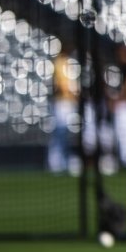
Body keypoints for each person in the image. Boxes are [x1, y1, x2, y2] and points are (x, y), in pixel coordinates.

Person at [47, 42, 81, 176]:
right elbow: (62, 85)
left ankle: (63, 161)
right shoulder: (60, 62)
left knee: (65, 135)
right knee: (60, 134)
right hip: (62, 102)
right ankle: (55, 163)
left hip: (70, 102)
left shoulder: (69, 62)